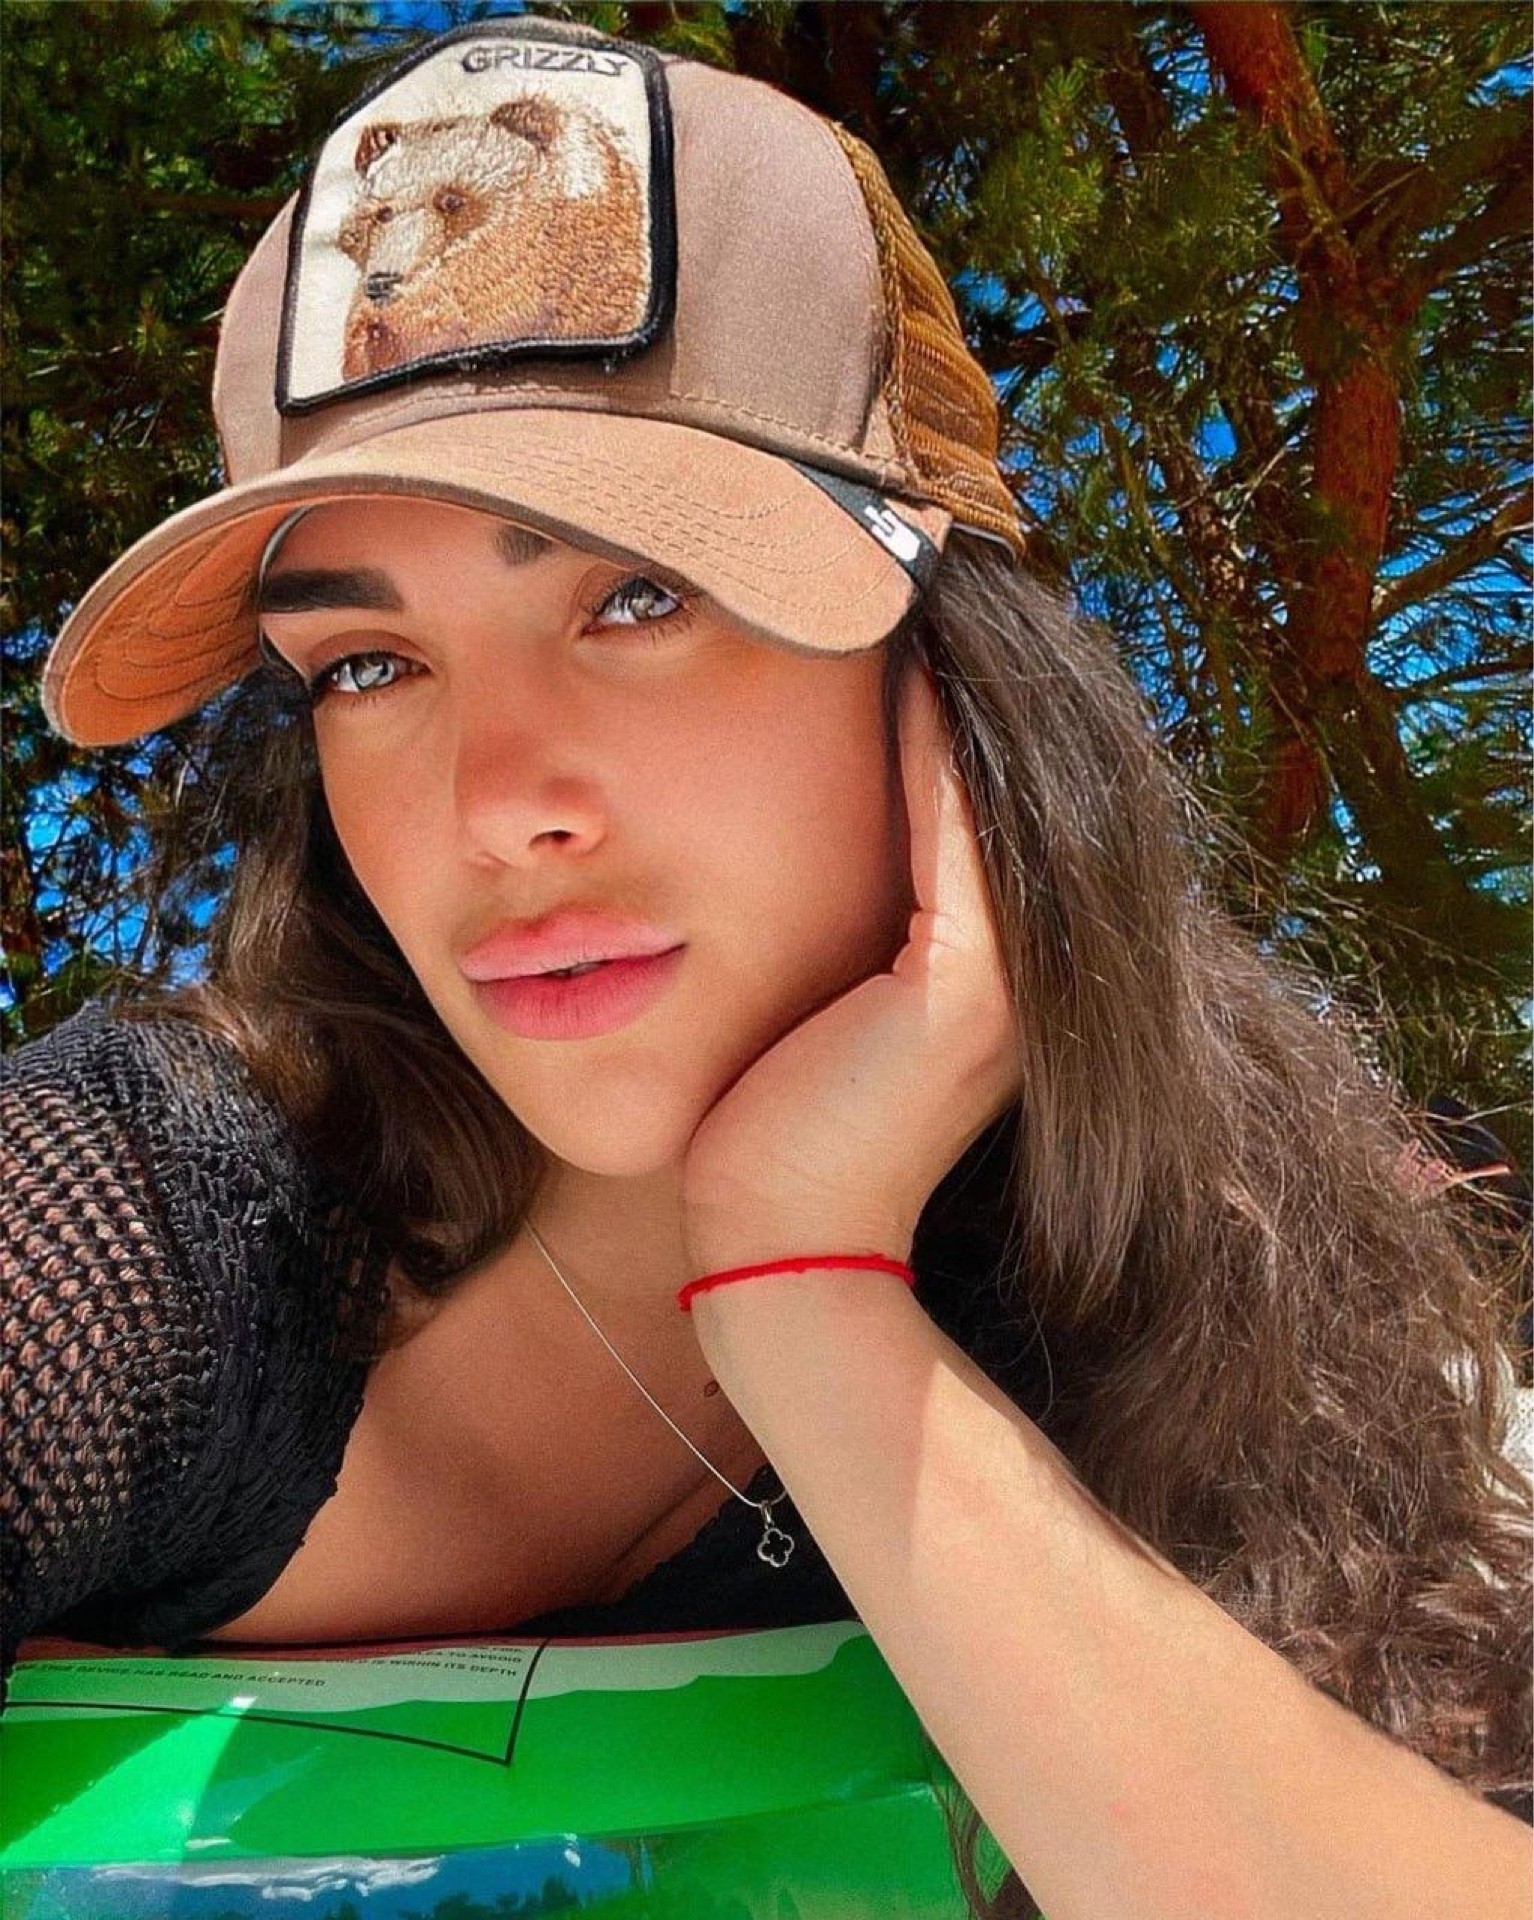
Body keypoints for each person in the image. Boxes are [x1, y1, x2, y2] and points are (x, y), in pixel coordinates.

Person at [3, 14, 1529, 1918]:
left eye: (638, 595)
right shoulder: (132, 1236)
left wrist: (807, 1291)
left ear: (955, 686)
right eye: (369, 666)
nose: (496, 806)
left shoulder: (1184, 1280)